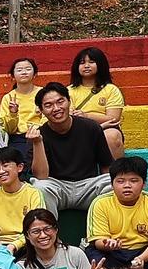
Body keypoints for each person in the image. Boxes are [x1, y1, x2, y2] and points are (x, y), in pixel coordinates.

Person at [29, 82, 117, 214]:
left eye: (60, 102)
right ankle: (49, 227)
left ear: (69, 101)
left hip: (88, 186)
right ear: (41, 110)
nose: (56, 108)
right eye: (48, 105)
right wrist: (37, 142)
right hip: (58, 188)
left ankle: (103, 227)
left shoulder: (91, 127)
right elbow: (41, 176)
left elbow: (106, 165)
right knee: (39, 187)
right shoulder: (38, 135)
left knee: (113, 182)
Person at [69, 45, 127, 153]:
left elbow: (113, 119)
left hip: (107, 129)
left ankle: (113, 165)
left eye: (91, 62)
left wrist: (86, 116)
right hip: (79, 130)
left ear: (100, 64)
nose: (86, 66)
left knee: (112, 136)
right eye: (82, 63)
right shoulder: (69, 91)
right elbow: (69, 116)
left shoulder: (111, 90)